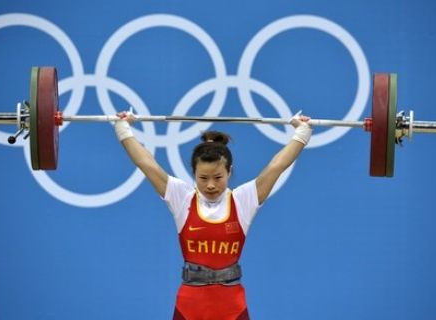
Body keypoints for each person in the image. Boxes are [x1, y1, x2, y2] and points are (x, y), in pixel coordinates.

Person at [114, 111, 312, 320]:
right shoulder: (182, 198)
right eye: (203, 178)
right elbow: (147, 165)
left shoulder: (242, 201)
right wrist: (123, 128)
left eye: (218, 177)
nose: (210, 185)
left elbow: (276, 167)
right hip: (189, 307)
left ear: (229, 172)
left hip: (232, 308)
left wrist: (302, 133)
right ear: (193, 173)